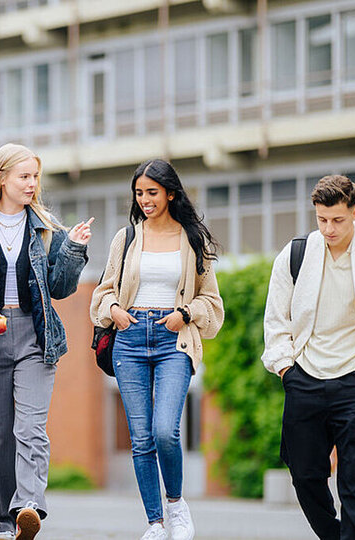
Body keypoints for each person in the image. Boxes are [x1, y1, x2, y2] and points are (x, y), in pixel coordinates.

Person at [0, 143, 92, 540]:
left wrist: (74, 250)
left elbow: (59, 289)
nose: (32, 184)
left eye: (35, 177)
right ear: (1, 178)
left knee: (30, 427)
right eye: (24, 176)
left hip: (35, 335)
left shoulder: (47, 229)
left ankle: (28, 506)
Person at [262, 175, 355, 540]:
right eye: (322, 219)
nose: (329, 228)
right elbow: (275, 318)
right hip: (304, 378)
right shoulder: (296, 254)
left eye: (338, 220)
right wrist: (286, 368)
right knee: (304, 474)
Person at [90, 159, 223, 540]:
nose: (145, 200)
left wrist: (184, 313)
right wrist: (114, 310)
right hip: (129, 339)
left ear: (170, 193)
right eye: (139, 193)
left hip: (173, 338)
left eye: (152, 192)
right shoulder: (126, 238)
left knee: (165, 430)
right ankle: (155, 523)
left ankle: (177, 506)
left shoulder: (192, 239)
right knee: (141, 438)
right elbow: (102, 293)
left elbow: (212, 303)